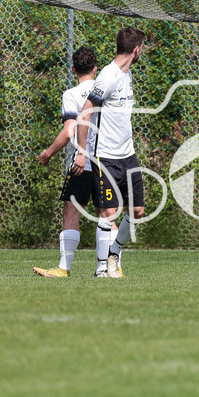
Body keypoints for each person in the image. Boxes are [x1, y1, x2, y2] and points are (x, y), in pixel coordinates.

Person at [32, 45, 116, 277]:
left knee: (71, 212)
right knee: (108, 214)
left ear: (73, 69)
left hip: (82, 164)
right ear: (96, 69)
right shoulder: (107, 91)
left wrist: (49, 153)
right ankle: (111, 268)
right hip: (107, 162)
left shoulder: (71, 95)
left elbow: (70, 130)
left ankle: (64, 268)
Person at [72, 27, 148, 278]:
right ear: (136, 50)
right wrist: (82, 153)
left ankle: (114, 250)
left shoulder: (127, 75)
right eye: (142, 49)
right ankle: (102, 268)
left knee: (137, 211)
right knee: (107, 213)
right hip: (106, 156)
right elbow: (85, 112)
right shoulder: (108, 75)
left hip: (128, 155)